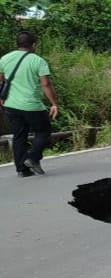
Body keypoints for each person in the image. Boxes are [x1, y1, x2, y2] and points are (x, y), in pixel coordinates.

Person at [0, 31, 58, 177]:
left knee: (19, 136)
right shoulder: (37, 61)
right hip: (32, 105)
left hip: (11, 105)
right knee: (44, 132)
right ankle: (32, 158)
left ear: (17, 44)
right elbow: (45, 84)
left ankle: (22, 170)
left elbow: (1, 80)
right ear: (34, 45)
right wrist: (54, 103)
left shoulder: (5, 59)